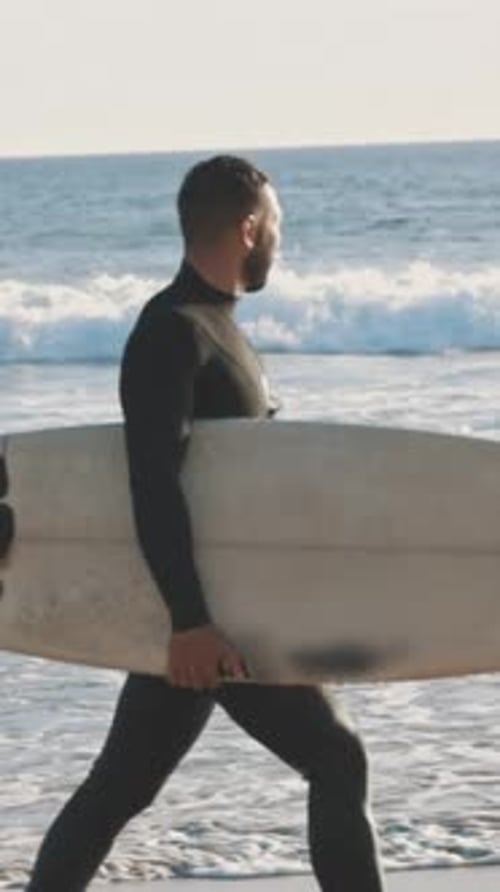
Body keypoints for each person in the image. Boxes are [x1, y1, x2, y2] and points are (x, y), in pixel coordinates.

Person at [27, 155, 385, 890]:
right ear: (249, 227)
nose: (280, 243)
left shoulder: (219, 331)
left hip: (216, 614)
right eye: (276, 227)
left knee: (120, 789)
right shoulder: (174, 332)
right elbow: (151, 481)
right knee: (337, 758)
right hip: (210, 621)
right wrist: (190, 622)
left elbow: (234, 488)